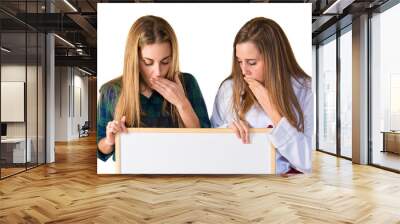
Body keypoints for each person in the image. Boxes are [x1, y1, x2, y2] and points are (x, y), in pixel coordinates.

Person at [97, 15, 210, 161]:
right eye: (148, 62)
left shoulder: (187, 83)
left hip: (180, 171)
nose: (157, 72)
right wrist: (109, 141)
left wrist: (182, 104)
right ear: (135, 58)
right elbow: (101, 149)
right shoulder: (111, 90)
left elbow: (206, 140)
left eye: (165, 61)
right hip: (132, 175)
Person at [210, 17, 313, 174]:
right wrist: (226, 131)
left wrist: (272, 110)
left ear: (274, 59)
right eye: (239, 61)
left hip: (285, 188)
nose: (244, 71)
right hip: (236, 182)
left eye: (251, 63)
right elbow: (210, 143)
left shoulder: (304, 88)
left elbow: (306, 162)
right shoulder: (228, 89)